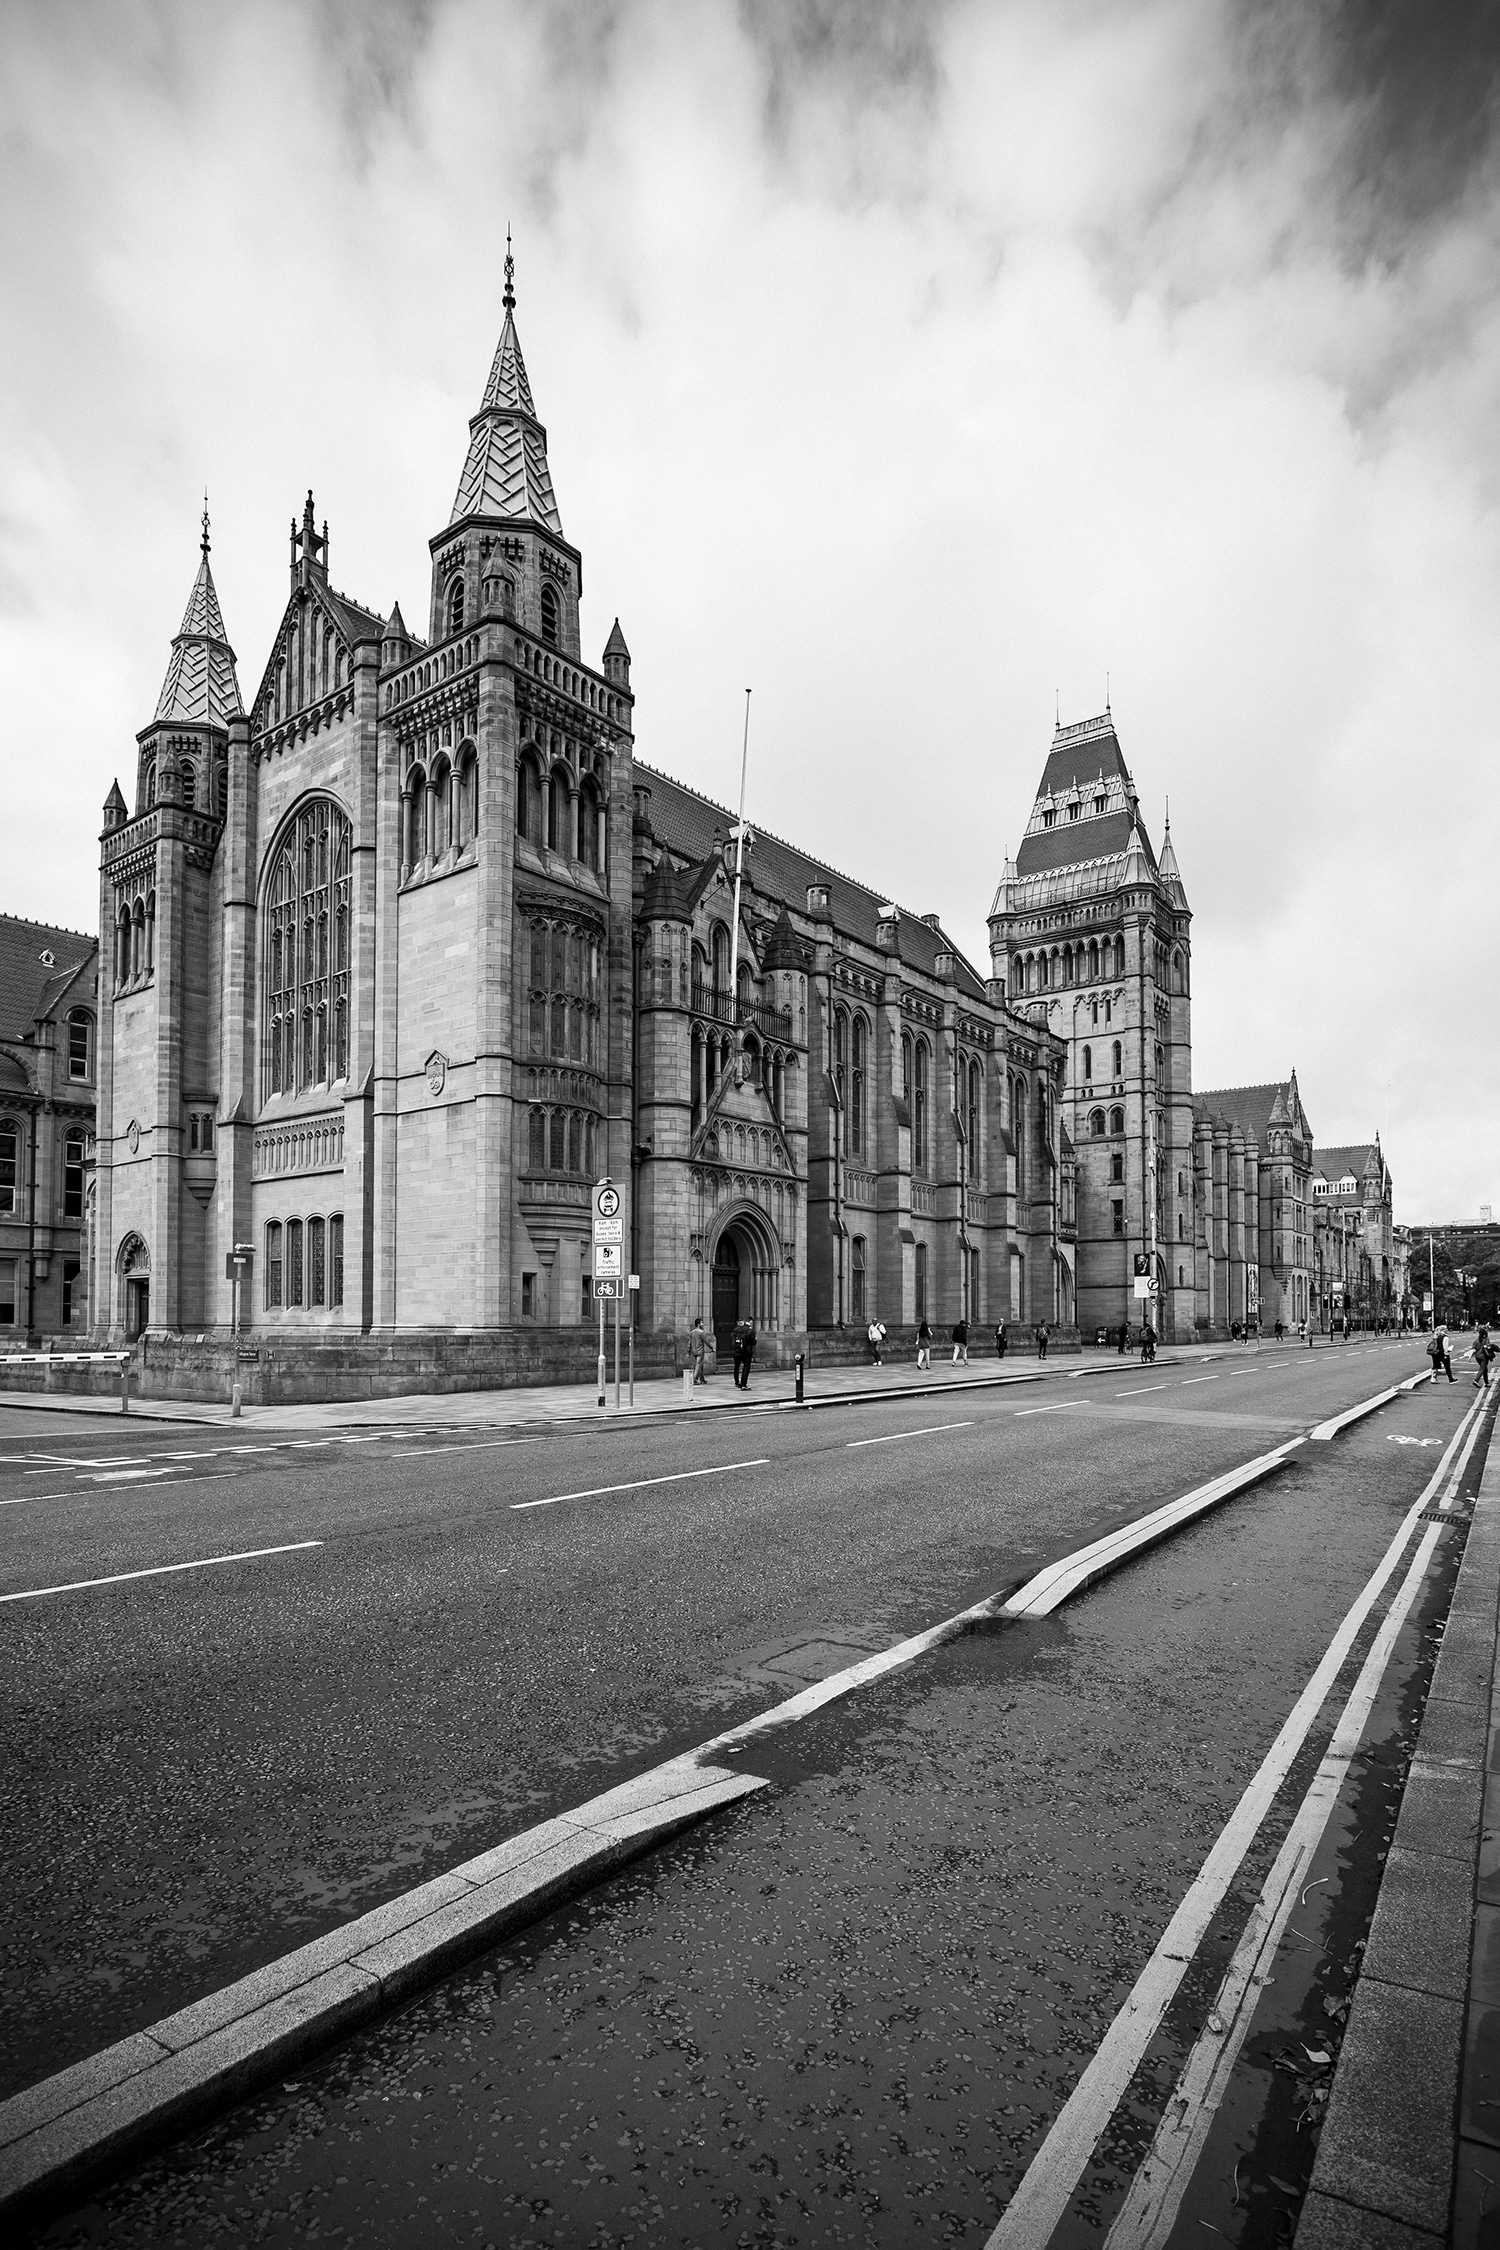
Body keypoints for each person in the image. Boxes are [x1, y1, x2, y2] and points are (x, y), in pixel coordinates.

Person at [733, 1316, 756, 1389]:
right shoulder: (750, 1330)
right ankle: (743, 1384)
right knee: (746, 1367)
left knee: (738, 1366)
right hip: (747, 1351)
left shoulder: (739, 1329)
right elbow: (753, 1341)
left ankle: (739, 1382)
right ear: (751, 1322)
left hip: (740, 1350)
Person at [1473, 1323, 1492, 1392]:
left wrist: (1469, 1358)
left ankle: (1486, 1382)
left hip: (1477, 1356)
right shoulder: (1486, 1339)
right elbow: (1488, 1347)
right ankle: (1476, 1380)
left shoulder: (1477, 1340)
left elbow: (1474, 1350)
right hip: (1484, 1356)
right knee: (1482, 1369)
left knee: (1485, 1369)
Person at [690, 1316, 708, 1385]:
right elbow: (707, 1341)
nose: (703, 1324)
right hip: (700, 1351)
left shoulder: (692, 1332)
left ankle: (702, 1379)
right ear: (698, 1324)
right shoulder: (701, 1332)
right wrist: (712, 1348)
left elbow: (689, 1342)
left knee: (700, 1365)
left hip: (694, 1351)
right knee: (698, 1365)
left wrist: (688, 1351)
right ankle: (694, 1379)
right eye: (702, 1323)